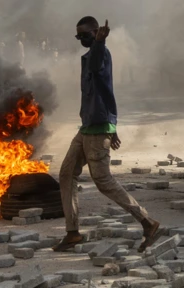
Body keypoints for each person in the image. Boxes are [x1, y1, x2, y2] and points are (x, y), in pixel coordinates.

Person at [53, 16, 163, 253]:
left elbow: (96, 69)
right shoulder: (93, 53)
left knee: (103, 181)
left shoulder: (100, 53)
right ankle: (72, 233)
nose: (82, 40)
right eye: (78, 36)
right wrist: (112, 126)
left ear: (95, 32)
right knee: (66, 174)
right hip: (88, 128)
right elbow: (103, 94)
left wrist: (99, 43)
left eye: (85, 35)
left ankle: (148, 222)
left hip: (97, 129)